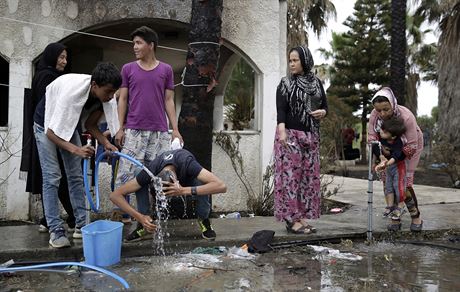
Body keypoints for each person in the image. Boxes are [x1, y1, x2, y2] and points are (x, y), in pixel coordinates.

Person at [33, 62, 121, 248]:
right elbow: (51, 133)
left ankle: (81, 225)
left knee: (75, 176)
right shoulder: (71, 95)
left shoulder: (104, 97)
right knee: (52, 177)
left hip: (68, 124)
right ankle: (55, 229)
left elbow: (90, 125)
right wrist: (76, 150)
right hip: (45, 123)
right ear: (94, 85)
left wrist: (106, 143)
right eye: (108, 92)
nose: (111, 96)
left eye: (114, 92)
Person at [114, 26, 183, 242]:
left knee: (161, 178)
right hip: (134, 132)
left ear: (150, 45)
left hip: (160, 133)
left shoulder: (166, 70)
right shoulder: (127, 69)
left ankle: (157, 223)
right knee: (135, 179)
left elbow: (169, 100)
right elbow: (122, 99)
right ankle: (141, 221)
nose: (134, 47)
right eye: (133, 43)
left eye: (138, 43)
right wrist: (120, 127)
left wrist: (176, 130)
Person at [109, 149, 226, 241]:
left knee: (202, 182)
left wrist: (183, 190)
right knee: (138, 174)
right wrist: (139, 216)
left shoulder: (187, 162)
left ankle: (204, 220)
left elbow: (221, 186)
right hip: (163, 179)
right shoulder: (150, 172)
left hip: (187, 181)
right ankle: (144, 223)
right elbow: (114, 195)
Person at [20, 42, 76, 233]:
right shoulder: (47, 77)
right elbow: (51, 109)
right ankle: (74, 218)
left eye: (65, 57)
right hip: (48, 133)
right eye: (61, 57)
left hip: (49, 132)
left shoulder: (48, 75)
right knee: (56, 176)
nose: (64, 61)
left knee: (51, 176)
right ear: (52, 57)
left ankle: (47, 218)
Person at [274, 45, 328, 234]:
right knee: (290, 178)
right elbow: (281, 109)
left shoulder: (317, 83)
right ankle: (291, 220)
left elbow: (325, 106)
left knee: (307, 179)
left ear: (305, 61)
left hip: (311, 136)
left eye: (295, 60)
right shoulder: (285, 83)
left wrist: (323, 112)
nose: (292, 64)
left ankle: (301, 216)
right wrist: (282, 131)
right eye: (290, 60)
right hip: (290, 135)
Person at [368, 87, 424, 232]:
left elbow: (411, 145)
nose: (382, 114)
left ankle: (415, 216)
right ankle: (395, 216)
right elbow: (372, 139)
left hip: (409, 147)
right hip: (386, 148)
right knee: (388, 182)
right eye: (379, 110)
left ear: (392, 104)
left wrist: (393, 159)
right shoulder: (375, 115)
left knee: (404, 183)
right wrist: (381, 157)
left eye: (386, 109)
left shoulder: (406, 117)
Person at [372, 116, 407, 223]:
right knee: (388, 187)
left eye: (384, 131)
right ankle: (390, 206)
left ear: (393, 136)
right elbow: (374, 146)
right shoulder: (381, 137)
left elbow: (396, 155)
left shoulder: (398, 142)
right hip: (388, 166)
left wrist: (385, 163)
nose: (381, 132)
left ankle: (401, 206)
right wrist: (381, 157)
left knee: (398, 186)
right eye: (382, 129)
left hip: (398, 166)